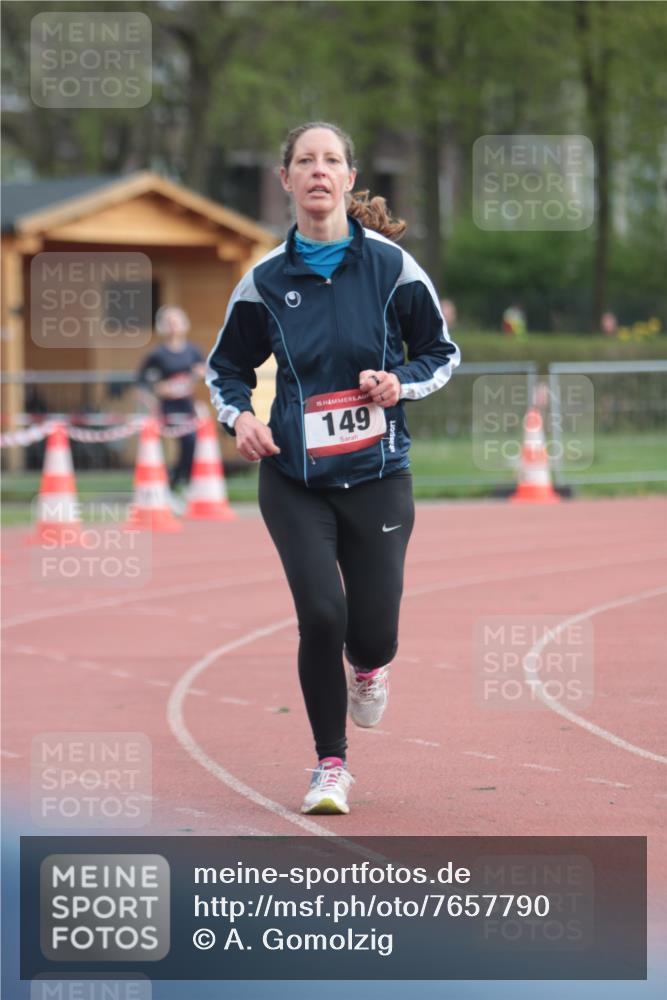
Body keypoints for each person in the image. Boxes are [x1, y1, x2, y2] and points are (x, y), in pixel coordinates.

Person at [207, 122, 460, 815]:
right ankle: (329, 764)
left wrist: (397, 384)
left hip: (377, 474)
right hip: (294, 478)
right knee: (321, 615)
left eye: (332, 160)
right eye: (304, 161)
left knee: (371, 630)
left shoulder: (390, 267)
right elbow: (225, 369)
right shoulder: (262, 281)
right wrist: (242, 418)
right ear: (284, 179)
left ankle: (369, 669)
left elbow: (440, 354)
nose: (318, 171)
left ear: (349, 179)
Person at [136, 306, 206, 496]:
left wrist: (199, 374)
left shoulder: (193, 350)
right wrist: (152, 397)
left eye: (176, 322)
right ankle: (160, 483)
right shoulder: (157, 354)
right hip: (165, 406)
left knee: (190, 442)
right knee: (161, 445)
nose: (173, 327)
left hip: (186, 404)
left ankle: (180, 479)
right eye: (169, 323)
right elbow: (141, 380)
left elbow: (205, 371)